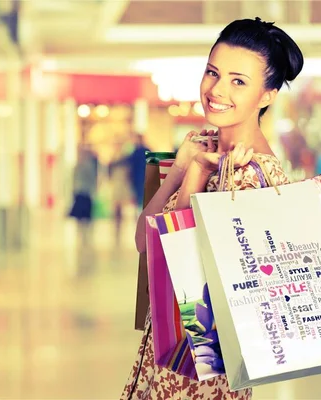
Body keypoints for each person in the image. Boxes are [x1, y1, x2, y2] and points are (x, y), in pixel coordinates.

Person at [122, 17, 303, 399]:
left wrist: (191, 180)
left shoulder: (253, 176)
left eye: (239, 81)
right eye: (212, 72)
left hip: (200, 369)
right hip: (166, 351)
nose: (217, 89)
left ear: (267, 95)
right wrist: (178, 173)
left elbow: (176, 275)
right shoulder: (200, 144)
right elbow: (143, 240)